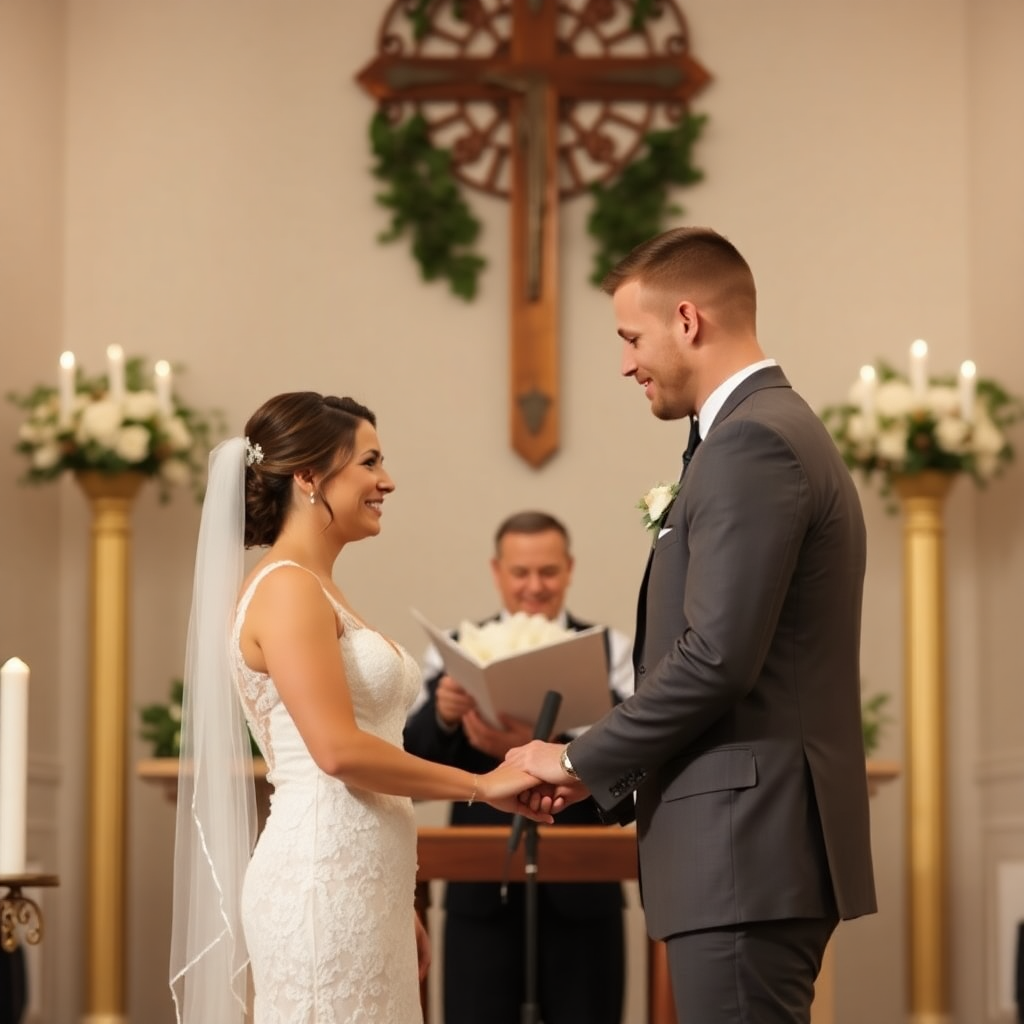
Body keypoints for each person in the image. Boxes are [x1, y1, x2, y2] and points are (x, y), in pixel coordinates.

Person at [506, 227, 877, 1024]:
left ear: (687, 320)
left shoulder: (751, 441)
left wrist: (577, 756)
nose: (625, 363)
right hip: (747, 848)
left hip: (745, 844)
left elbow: (717, 658)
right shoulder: (756, 431)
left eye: (630, 337)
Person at [168, 392, 552, 1024]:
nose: (387, 481)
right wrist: (482, 786)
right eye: (370, 462)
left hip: (364, 885)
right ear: (309, 476)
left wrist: (396, 901)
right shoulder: (287, 588)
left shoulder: (320, 586)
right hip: (319, 882)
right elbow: (338, 750)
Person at [403, 511, 633, 1024]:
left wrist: (551, 747)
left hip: (584, 892)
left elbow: (632, 760)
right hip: (480, 895)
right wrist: (442, 716)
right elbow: (410, 770)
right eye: (520, 572)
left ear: (569, 570)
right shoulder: (456, 652)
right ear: (497, 571)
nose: (534, 587)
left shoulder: (610, 650)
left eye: (548, 572)